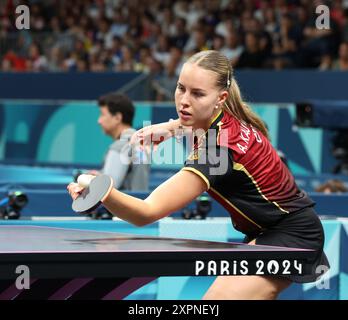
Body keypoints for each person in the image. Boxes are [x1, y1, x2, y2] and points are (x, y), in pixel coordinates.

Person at [68, 50, 329, 300]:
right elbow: (193, 117)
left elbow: (145, 213)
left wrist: (100, 189)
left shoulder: (216, 152)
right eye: (181, 88)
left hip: (292, 235)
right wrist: (170, 127)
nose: (184, 100)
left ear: (221, 97)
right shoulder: (227, 117)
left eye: (197, 93)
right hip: (271, 230)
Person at [88, 92, 149, 191]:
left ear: (117, 118)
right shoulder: (140, 144)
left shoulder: (121, 146)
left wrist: (91, 180)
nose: (99, 121)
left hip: (124, 205)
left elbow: (109, 187)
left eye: (102, 114)